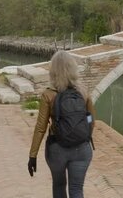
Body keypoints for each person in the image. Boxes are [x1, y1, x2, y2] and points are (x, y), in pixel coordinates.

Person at [28, 51, 96, 198]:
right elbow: (90, 118)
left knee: (59, 186)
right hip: (82, 149)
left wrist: (32, 155)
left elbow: (41, 128)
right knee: (77, 190)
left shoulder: (48, 94)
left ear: (53, 71)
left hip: (57, 149)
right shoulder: (83, 91)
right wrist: (85, 134)